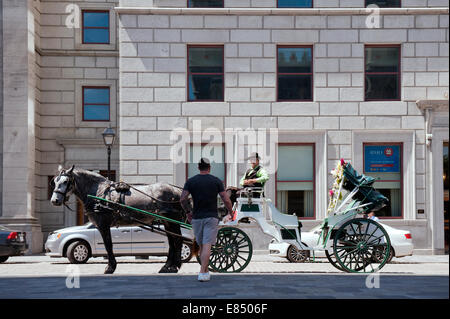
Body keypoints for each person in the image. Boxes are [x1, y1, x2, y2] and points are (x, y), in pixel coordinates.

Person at [180, 157, 233, 282]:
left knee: (202, 245)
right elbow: (226, 199)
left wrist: (188, 212)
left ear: (198, 168)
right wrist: (231, 212)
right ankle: (202, 272)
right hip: (211, 217)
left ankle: (204, 271)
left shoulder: (191, 181)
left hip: (197, 217)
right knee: (207, 244)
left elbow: (182, 199)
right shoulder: (216, 181)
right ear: (209, 168)